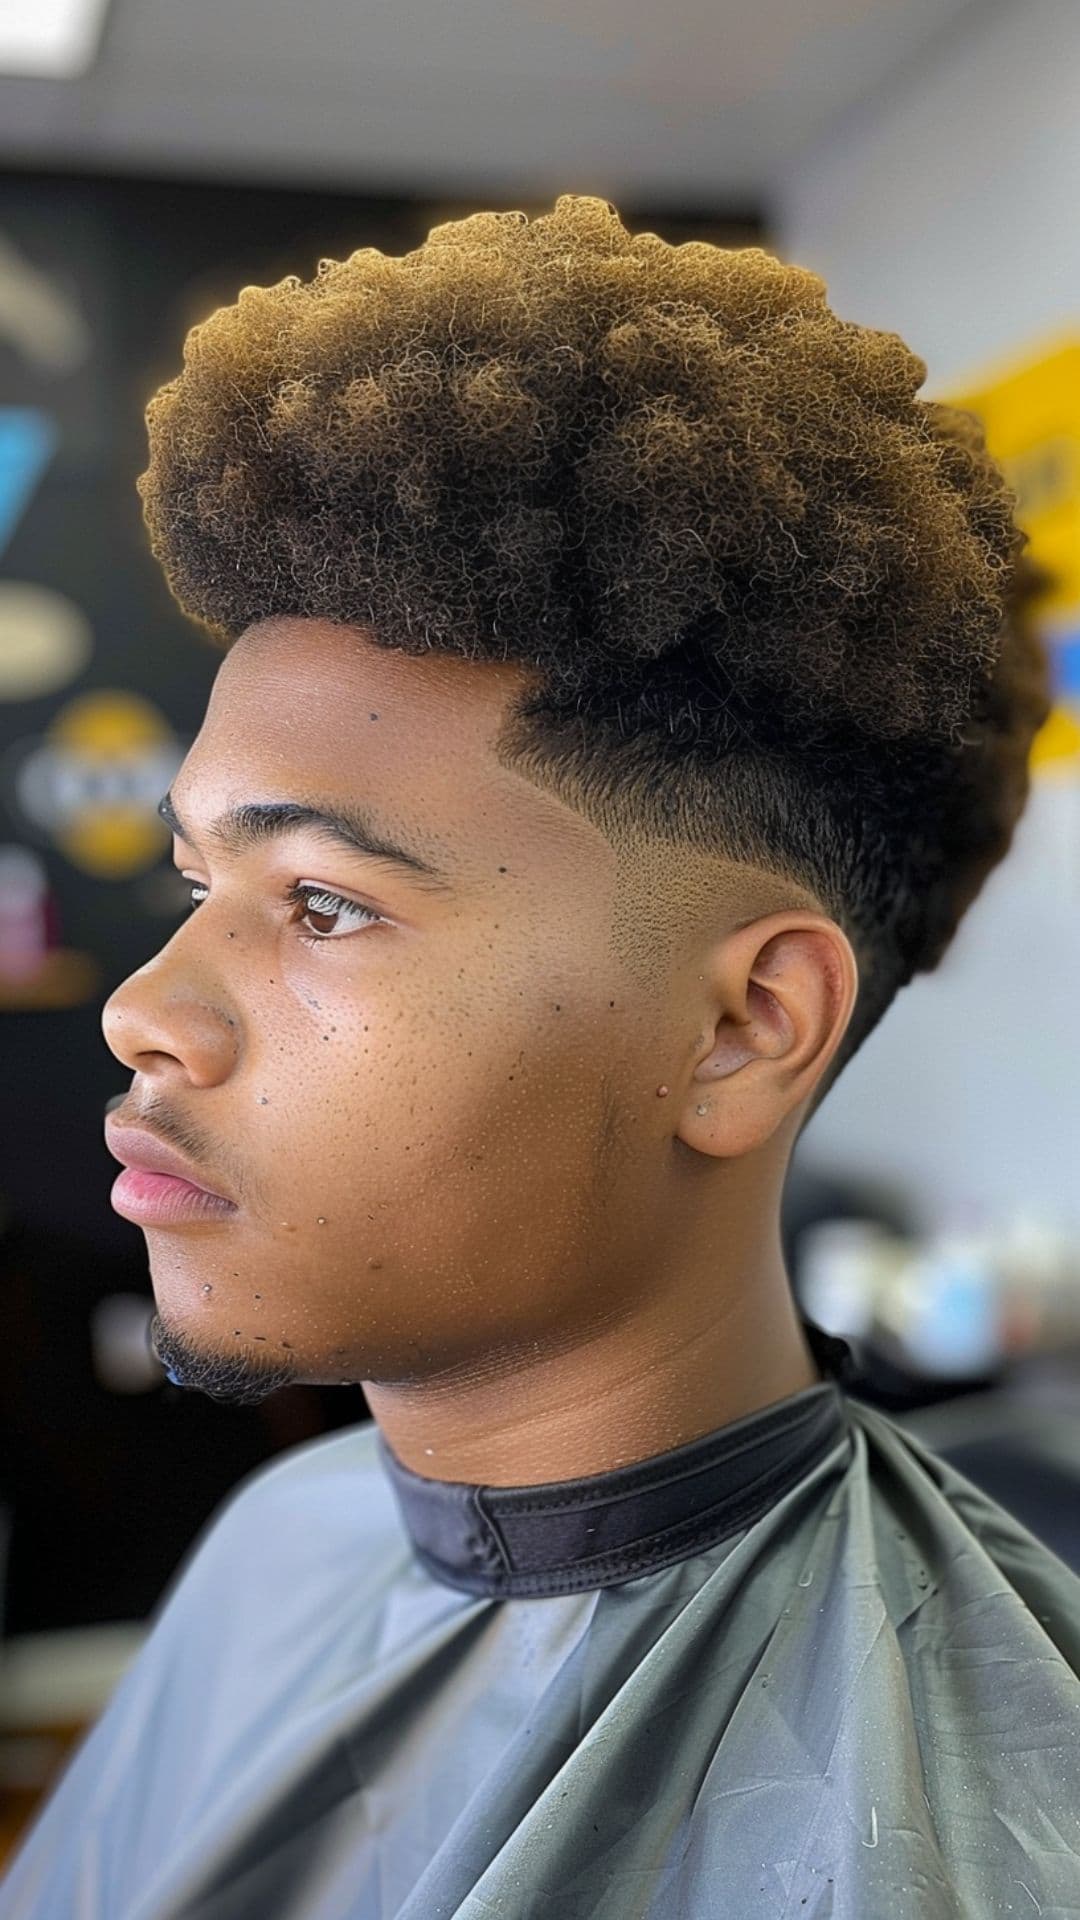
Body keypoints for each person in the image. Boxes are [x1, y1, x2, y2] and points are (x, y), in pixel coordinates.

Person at [2, 194, 1077, 1920]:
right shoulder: (288, 1544)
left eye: (327, 904)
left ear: (744, 1030)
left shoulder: (955, 1843)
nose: (148, 1008)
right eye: (202, 883)